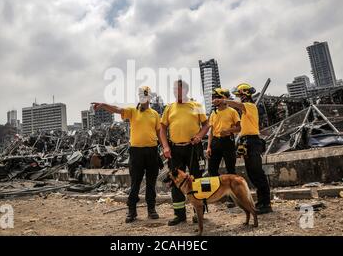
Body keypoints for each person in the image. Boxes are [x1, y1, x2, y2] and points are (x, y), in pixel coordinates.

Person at [92, 86, 162, 223]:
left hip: (152, 151)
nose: (144, 99)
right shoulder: (132, 111)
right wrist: (104, 105)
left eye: (146, 97)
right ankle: (132, 210)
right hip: (136, 152)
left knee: (151, 183)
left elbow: (159, 132)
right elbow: (117, 109)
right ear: (139, 97)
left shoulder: (154, 114)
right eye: (142, 96)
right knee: (135, 182)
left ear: (149, 98)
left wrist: (164, 147)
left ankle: (151, 209)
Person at [213, 83, 273, 214]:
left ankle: (266, 203)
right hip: (247, 142)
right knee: (252, 173)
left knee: (257, 172)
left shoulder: (250, 106)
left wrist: (223, 100)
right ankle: (261, 201)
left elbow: (238, 105)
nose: (238, 98)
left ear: (245, 95)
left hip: (253, 141)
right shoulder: (245, 111)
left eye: (239, 95)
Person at [159, 79, 210, 226]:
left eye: (179, 90)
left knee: (197, 180)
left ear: (186, 90)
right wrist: (165, 147)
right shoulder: (169, 108)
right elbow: (162, 129)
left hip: (194, 148)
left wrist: (200, 136)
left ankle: (198, 213)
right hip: (175, 149)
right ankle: (179, 215)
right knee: (176, 182)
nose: (176, 92)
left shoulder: (197, 105)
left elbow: (206, 124)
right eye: (174, 90)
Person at [207, 88, 241, 208]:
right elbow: (211, 131)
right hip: (215, 142)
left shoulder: (232, 111)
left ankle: (233, 198)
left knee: (230, 170)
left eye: (216, 97)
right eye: (213, 97)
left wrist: (228, 131)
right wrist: (208, 147)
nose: (213, 100)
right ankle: (218, 195)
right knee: (212, 169)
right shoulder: (213, 113)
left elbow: (239, 128)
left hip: (228, 142)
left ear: (223, 98)